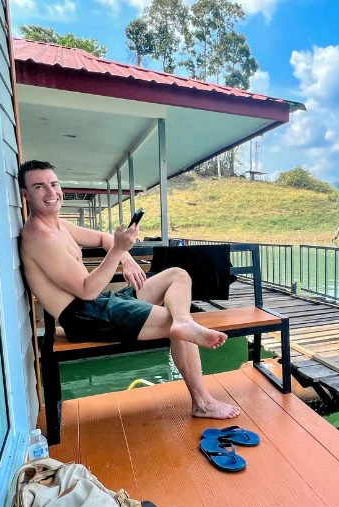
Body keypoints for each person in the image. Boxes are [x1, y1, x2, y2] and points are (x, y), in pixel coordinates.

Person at [18, 160, 240, 419]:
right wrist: (119, 250)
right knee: (174, 323)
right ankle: (202, 402)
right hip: (84, 316)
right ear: (26, 195)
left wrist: (127, 257)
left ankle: (182, 321)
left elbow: (102, 238)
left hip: (100, 303)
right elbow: (86, 290)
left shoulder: (59, 225)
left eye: (53, 184)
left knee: (177, 275)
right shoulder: (39, 237)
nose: (51, 192)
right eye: (39, 187)